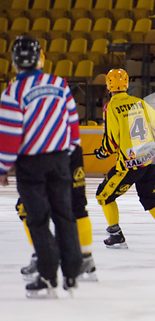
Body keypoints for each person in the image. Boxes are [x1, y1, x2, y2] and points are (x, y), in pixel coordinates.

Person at [0, 35, 82, 298]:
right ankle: (71, 272)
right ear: (38, 59)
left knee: (38, 220)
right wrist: (67, 154)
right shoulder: (59, 84)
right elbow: (73, 124)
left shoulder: (12, 92)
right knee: (64, 215)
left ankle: (48, 275)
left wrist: (3, 168)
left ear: (14, 62)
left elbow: (10, 136)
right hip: (60, 159)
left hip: (30, 164)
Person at [16, 51, 97, 282]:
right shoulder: (57, 84)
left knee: (30, 208)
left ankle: (42, 257)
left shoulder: (19, 88)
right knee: (75, 207)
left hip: (43, 153)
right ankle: (86, 261)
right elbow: (73, 120)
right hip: (68, 150)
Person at [94, 68, 155, 249]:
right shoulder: (140, 103)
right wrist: (153, 144)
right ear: (126, 84)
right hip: (151, 162)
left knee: (103, 196)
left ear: (108, 85)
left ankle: (116, 235)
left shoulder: (111, 107)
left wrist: (102, 152)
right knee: (153, 200)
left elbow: (111, 141)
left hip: (129, 166)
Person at [17, 145, 97, 282]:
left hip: (42, 153)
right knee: (77, 205)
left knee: (27, 207)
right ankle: (85, 258)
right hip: (70, 148)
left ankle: (40, 257)